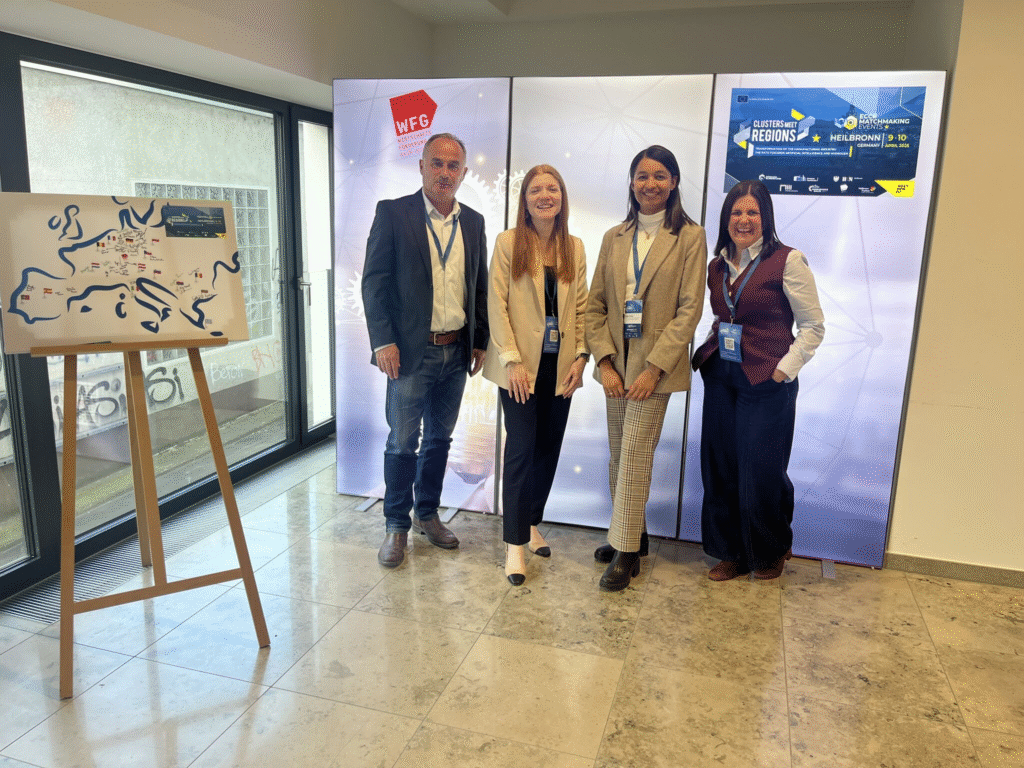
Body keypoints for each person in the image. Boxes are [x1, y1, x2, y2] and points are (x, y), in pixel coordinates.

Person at [361, 133, 489, 568]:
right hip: (410, 353)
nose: (444, 173)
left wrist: (480, 339)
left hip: (456, 352)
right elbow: (374, 282)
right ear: (421, 166)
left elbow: (479, 285)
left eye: (453, 166)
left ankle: (427, 514)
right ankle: (396, 526)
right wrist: (383, 340)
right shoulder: (394, 213)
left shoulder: (473, 222)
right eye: (437, 163)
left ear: (464, 173)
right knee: (402, 441)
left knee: (439, 440)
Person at [585, 145, 706, 591]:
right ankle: (633, 535)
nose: (649, 184)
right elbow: (595, 306)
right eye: (642, 176)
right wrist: (605, 362)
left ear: (673, 183)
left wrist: (653, 370)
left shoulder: (690, 237)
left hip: (655, 370)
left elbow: (689, 311)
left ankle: (625, 552)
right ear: (632, 182)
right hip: (616, 366)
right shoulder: (614, 236)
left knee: (636, 455)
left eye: (659, 176)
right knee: (620, 453)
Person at [691, 179, 824, 581]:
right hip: (722, 375)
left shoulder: (788, 260)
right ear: (726, 219)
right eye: (736, 212)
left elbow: (813, 327)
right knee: (720, 467)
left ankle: (770, 551)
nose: (743, 220)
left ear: (766, 217)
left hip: (766, 379)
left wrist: (784, 369)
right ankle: (729, 551)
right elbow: (724, 315)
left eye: (752, 212)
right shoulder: (716, 266)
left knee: (761, 470)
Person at [482, 165, 589, 586]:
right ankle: (514, 543)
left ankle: (530, 523)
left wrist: (581, 358)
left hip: (560, 367)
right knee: (522, 449)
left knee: (548, 448)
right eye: (536, 190)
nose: (545, 195)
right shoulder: (509, 243)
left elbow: (581, 308)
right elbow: (496, 303)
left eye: (552, 188)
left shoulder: (574, 247)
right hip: (519, 368)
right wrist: (511, 360)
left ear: (562, 197)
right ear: (525, 200)